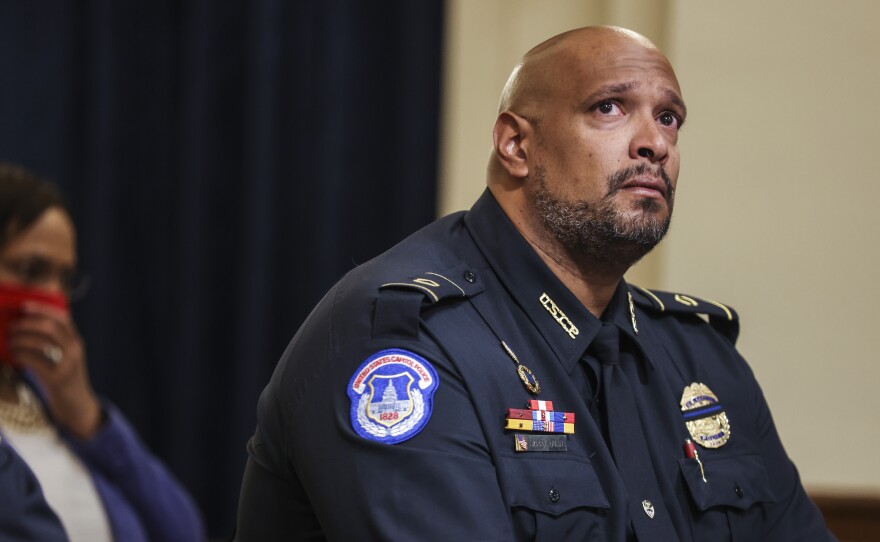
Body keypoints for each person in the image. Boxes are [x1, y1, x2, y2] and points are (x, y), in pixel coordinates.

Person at [235, 26, 835, 541]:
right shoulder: (403, 339)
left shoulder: (700, 354)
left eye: (669, 118)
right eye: (610, 107)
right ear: (516, 144)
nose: (655, 143)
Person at [0, 162, 205, 542]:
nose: (54, 299)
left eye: (65, 279)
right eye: (32, 271)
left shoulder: (53, 402)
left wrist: (87, 417)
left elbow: (184, 530)